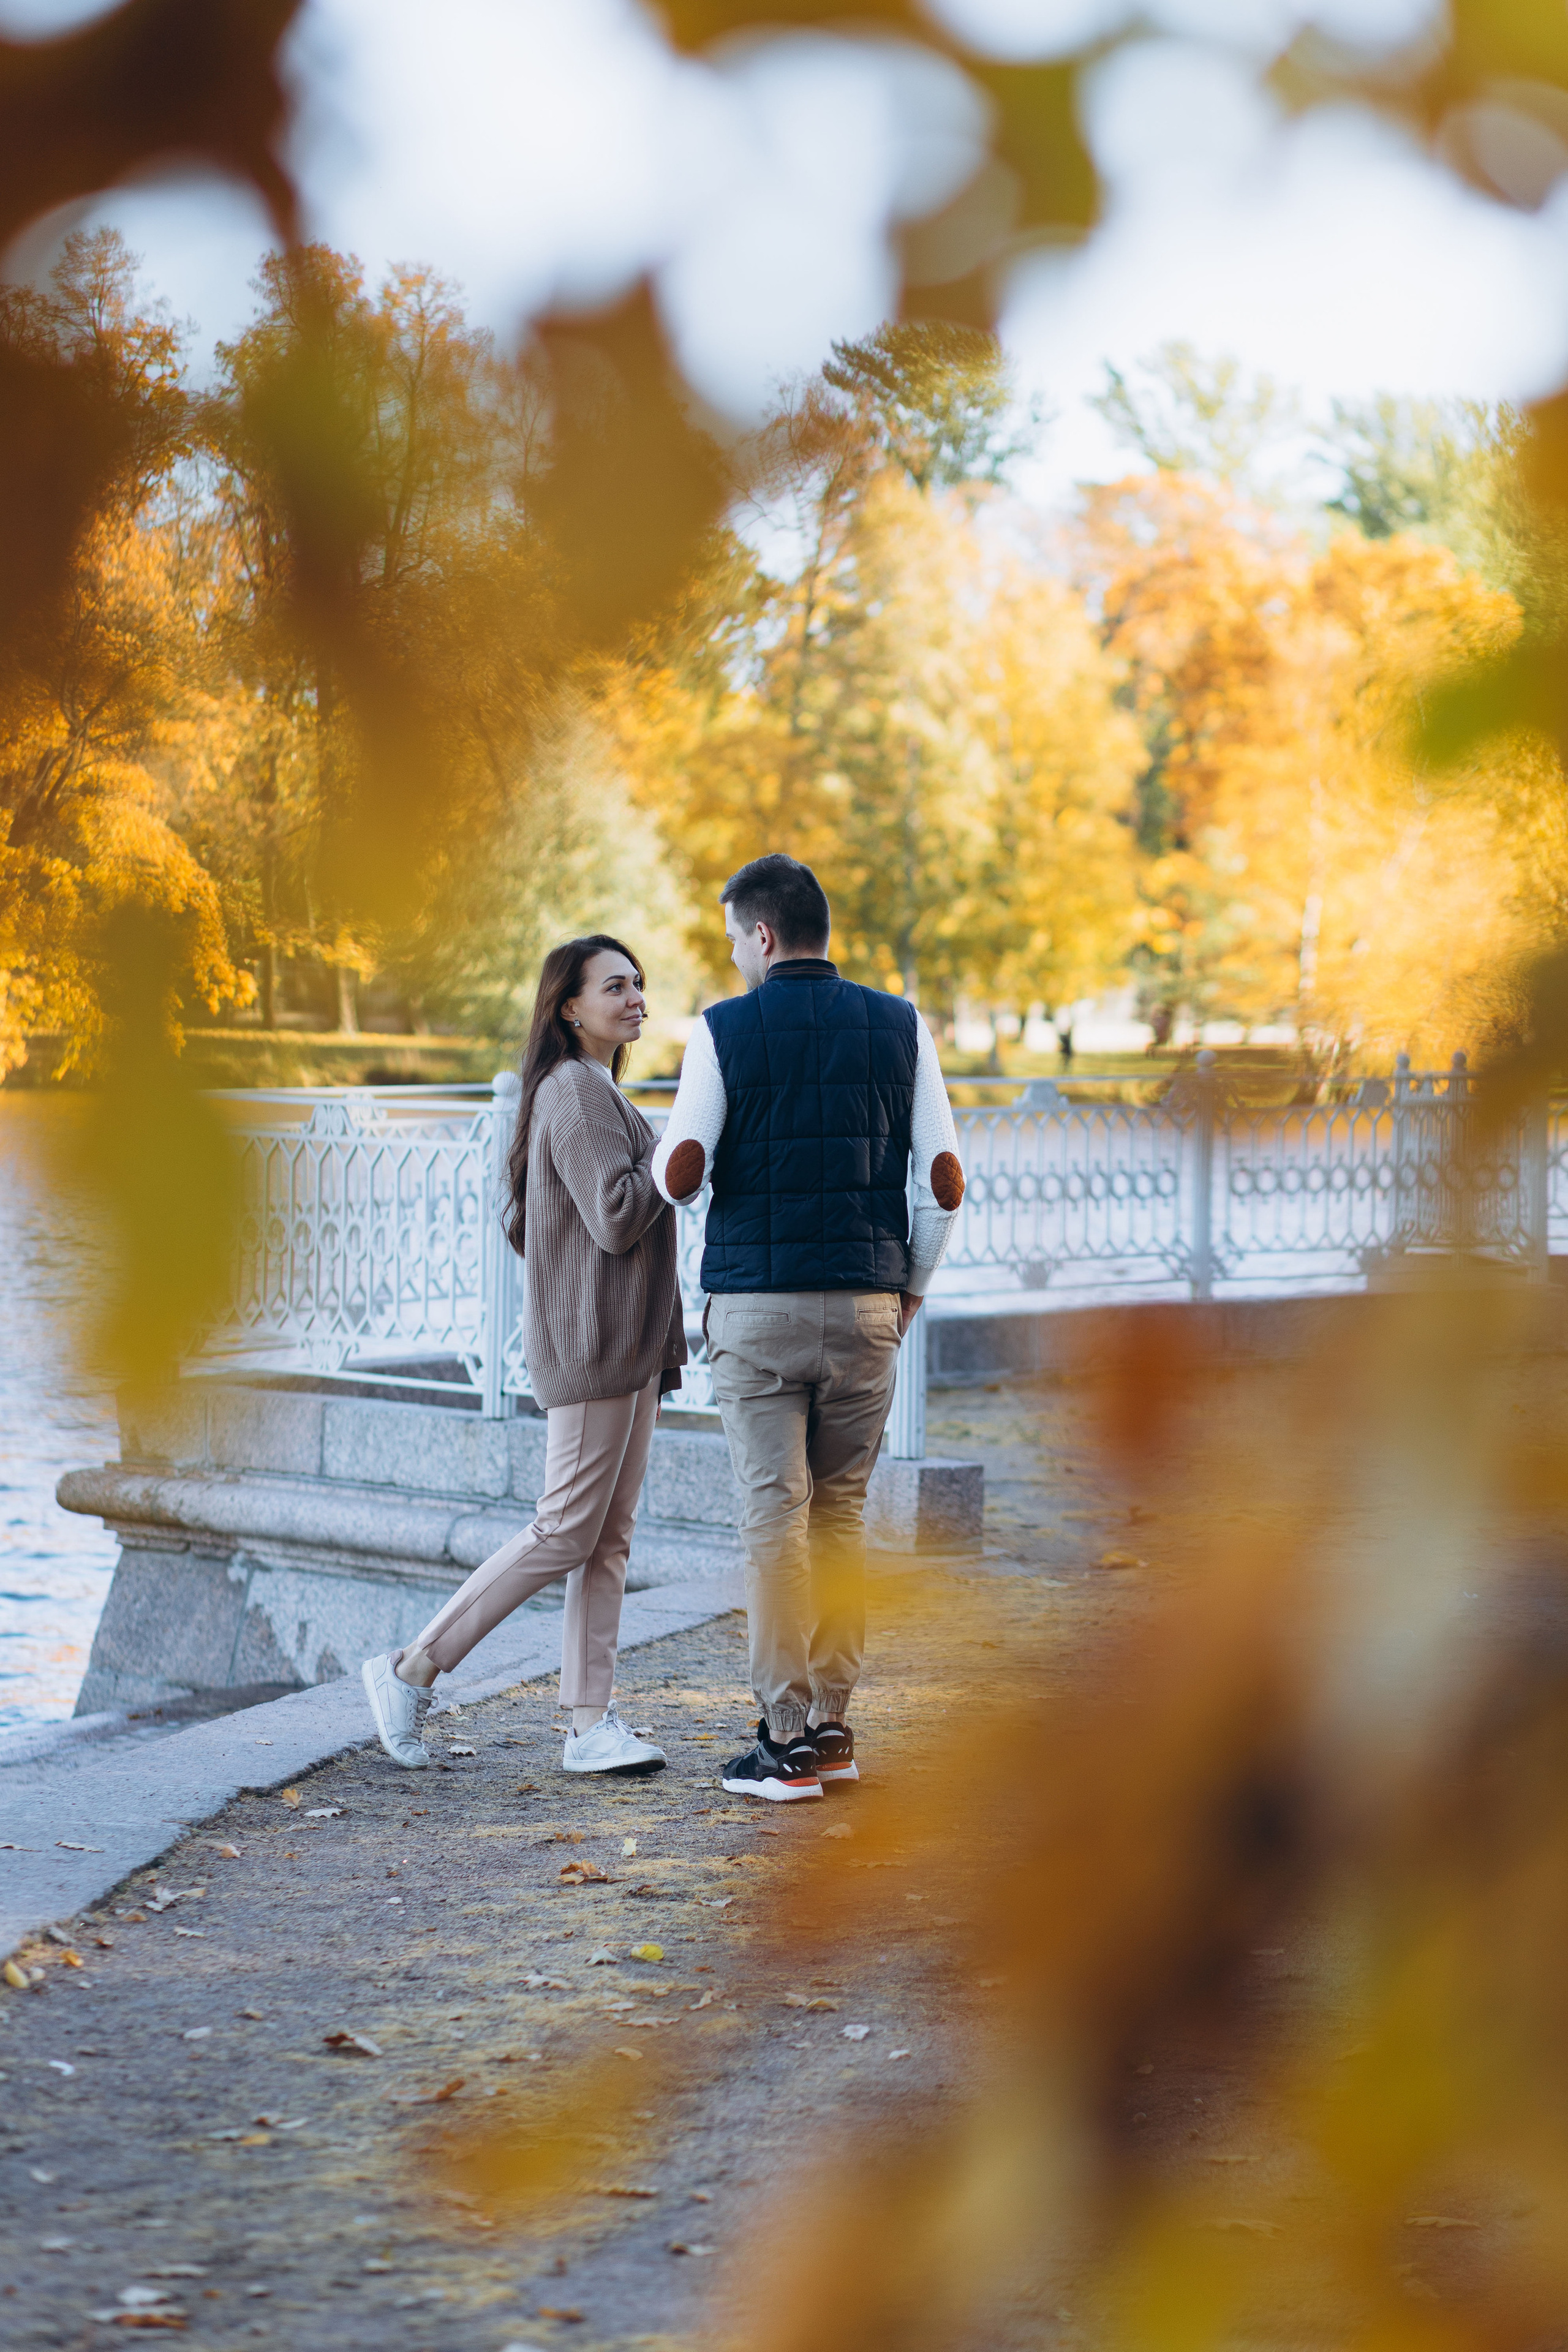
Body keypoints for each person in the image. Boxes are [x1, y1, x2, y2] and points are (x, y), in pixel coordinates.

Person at [651, 853, 965, 1801]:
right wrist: (908, 1289)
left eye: (735, 942)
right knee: (838, 1517)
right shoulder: (902, 1025)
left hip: (755, 1310)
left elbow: (681, 1173)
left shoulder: (723, 1030)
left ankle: (782, 1741)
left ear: (762, 936)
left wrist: (688, 1160)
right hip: (869, 1306)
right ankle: (832, 1730)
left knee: (772, 1521)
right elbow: (945, 1180)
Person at [360, 935, 685, 1776]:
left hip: (628, 1346)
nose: (635, 996)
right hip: (594, 1347)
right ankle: (411, 1669)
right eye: (615, 986)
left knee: (606, 1539)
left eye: (639, 983)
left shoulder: (596, 1088)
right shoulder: (575, 1090)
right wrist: (681, 1144)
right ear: (569, 1008)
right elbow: (617, 1215)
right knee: (564, 1529)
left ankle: (589, 1726)